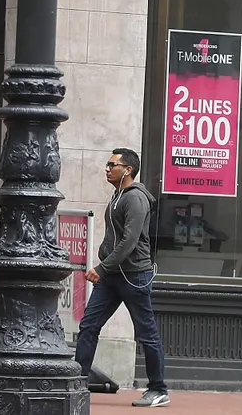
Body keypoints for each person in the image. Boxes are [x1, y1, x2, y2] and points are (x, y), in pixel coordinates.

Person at [75, 148, 169, 408]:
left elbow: (129, 241)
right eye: (107, 164)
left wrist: (102, 267)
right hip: (113, 277)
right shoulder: (118, 195)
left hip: (134, 276)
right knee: (89, 326)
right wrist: (107, 269)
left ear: (127, 170)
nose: (107, 168)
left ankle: (158, 389)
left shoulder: (135, 198)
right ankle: (78, 382)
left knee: (146, 333)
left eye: (112, 165)